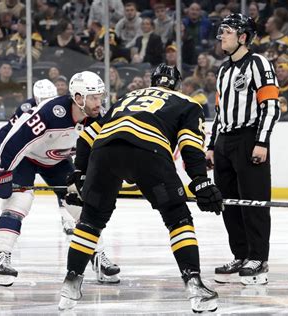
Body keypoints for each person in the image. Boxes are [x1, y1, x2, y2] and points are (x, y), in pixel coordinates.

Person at [58, 64, 223, 313]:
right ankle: (195, 285)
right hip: (150, 150)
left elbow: (90, 133)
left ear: (153, 82)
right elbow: (190, 143)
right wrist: (200, 180)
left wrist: (79, 171)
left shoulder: (127, 98)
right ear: (177, 85)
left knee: (90, 221)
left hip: (104, 152)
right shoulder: (187, 102)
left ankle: (70, 284)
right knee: (178, 218)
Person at [0, 73, 120, 287]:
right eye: (94, 97)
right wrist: (1, 171)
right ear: (78, 98)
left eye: (100, 97)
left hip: (57, 161)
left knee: (82, 207)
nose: (99, 103)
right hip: (27, 158)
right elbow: (15, 140)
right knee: (18, 202)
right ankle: (0, 259)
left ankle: (98, 257)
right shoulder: (51, 112)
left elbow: (103, 151)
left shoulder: (98, 119)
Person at [207, 14, 280, 285]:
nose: (221, 36)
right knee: (229, 203)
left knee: (254, 201)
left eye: (227, 31)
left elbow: (271, 105)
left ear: (243, 37)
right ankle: (241, 255)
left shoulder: (258, 63)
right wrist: (212, 145)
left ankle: (258, 259)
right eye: (221, 31)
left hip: (250, 139)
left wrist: (262, 142)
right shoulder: (224, 70)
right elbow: (219, 111)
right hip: (225, 141)